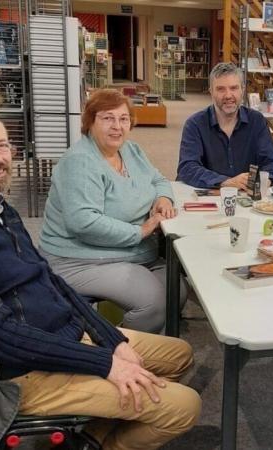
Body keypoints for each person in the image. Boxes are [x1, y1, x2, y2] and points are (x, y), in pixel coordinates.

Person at [0, 108, 201, 450]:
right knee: (184, 407)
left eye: (3, 146)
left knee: (180, 355)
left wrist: (110, 339)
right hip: (23, 372)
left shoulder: (0, 210)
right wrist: (105, 363)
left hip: (65, 337)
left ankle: (89, 438)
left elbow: (52, 282)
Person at [40, 89, 181, 333]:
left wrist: (163, 198)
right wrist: (141, 230)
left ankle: (144, 346)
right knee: (154, 301)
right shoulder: (80, 162)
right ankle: (117, 356)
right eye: (107, 118)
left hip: (127, 252)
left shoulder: (131, 150)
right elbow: (83, 222)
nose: (117, 126)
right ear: (90, 122)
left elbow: (158, 179)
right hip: (80, 260)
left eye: (123, 119)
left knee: (177, 288)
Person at [177, 62, 273, 189]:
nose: (228, 95)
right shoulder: (194, 124)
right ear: (211, 92)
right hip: (210, 197)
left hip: (249, 197)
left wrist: (264, 180)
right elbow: (187, 168)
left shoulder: (257, 121)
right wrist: (226, 182)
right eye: (221, 89)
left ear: (242, 90)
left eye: (233, 88)